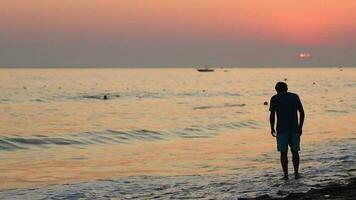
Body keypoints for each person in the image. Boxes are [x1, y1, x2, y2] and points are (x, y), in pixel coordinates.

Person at [269, 82, 305, 180]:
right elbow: (302, 112)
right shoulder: (294, 97)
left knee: (283, 153)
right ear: (287, 88)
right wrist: (300, 126)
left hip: (281, 130)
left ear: (276, 89)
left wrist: (272, 128)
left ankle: (286, 175)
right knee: (295, 152)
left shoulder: (274, 98)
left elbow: (272, 115)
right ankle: (296, 173)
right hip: (294, 129)